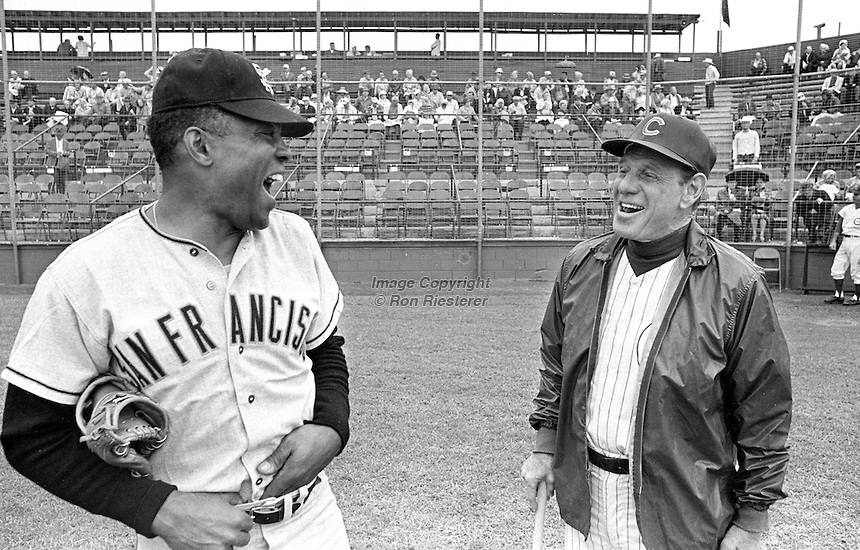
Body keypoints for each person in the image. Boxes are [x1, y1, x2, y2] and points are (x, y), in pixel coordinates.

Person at [1, 47, 351, 550]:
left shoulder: (293, 237)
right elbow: (31, 436)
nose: (285, 152)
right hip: (188, 537)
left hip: (313, 524)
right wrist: (155, 508)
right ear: (199, 146)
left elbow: (324, 350)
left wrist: (331, 426)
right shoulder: (87, 272)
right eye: (264, 136)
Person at [521, 113, 791, 550]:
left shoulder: (738, 286)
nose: (624, 185)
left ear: (692, 191)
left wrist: (753, 519)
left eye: (648, 174)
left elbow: (764, 411)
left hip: (676, 513)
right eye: (623, 170)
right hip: (584, 499)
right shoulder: (580, 265)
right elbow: (556, 365)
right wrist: (545, 446)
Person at [825, 187, 860, 304]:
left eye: (858, 195)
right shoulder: (847, 208)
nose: (855, 197)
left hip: (858, 241)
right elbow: (839, 225)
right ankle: (838, 294)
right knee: (837, 268)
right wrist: (833, 240)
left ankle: (857, 297)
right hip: (846, 240)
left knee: (857, 270)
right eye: (855, 194)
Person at [43, 121, 73, 193]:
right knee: (52, 180)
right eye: (58, 135)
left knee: (62, 181)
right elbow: (46, 150)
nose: (60, 136)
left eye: (61, 135)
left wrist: (64, 153)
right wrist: (56, 153)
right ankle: (52, 193)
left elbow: (69, 152)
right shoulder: (50, 141)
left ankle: (62, 194)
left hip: (62, 163)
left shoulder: (66, 142)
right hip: (52, 162)